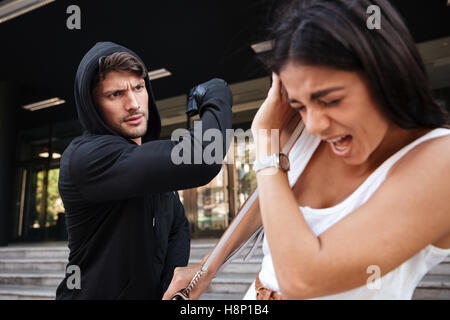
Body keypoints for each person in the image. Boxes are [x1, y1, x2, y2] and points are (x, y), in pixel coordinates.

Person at [164, 0, 450, 300]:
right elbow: (270, 197)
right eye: (299, 104)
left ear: (389, 76)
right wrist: (206, 268)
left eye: (330, 100)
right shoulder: (307, 132)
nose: (314, 125)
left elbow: (302, 279)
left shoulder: (438, 159)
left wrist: (264, 135)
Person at [55, 41, 233, 299]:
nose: (134, 104)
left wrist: (166, 289)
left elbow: (177, 226)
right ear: (93, 105)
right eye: (115, 94)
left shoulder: (144, 162)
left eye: (139, 88)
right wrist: (218, 93)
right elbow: (203, 158)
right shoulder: (86, 157)